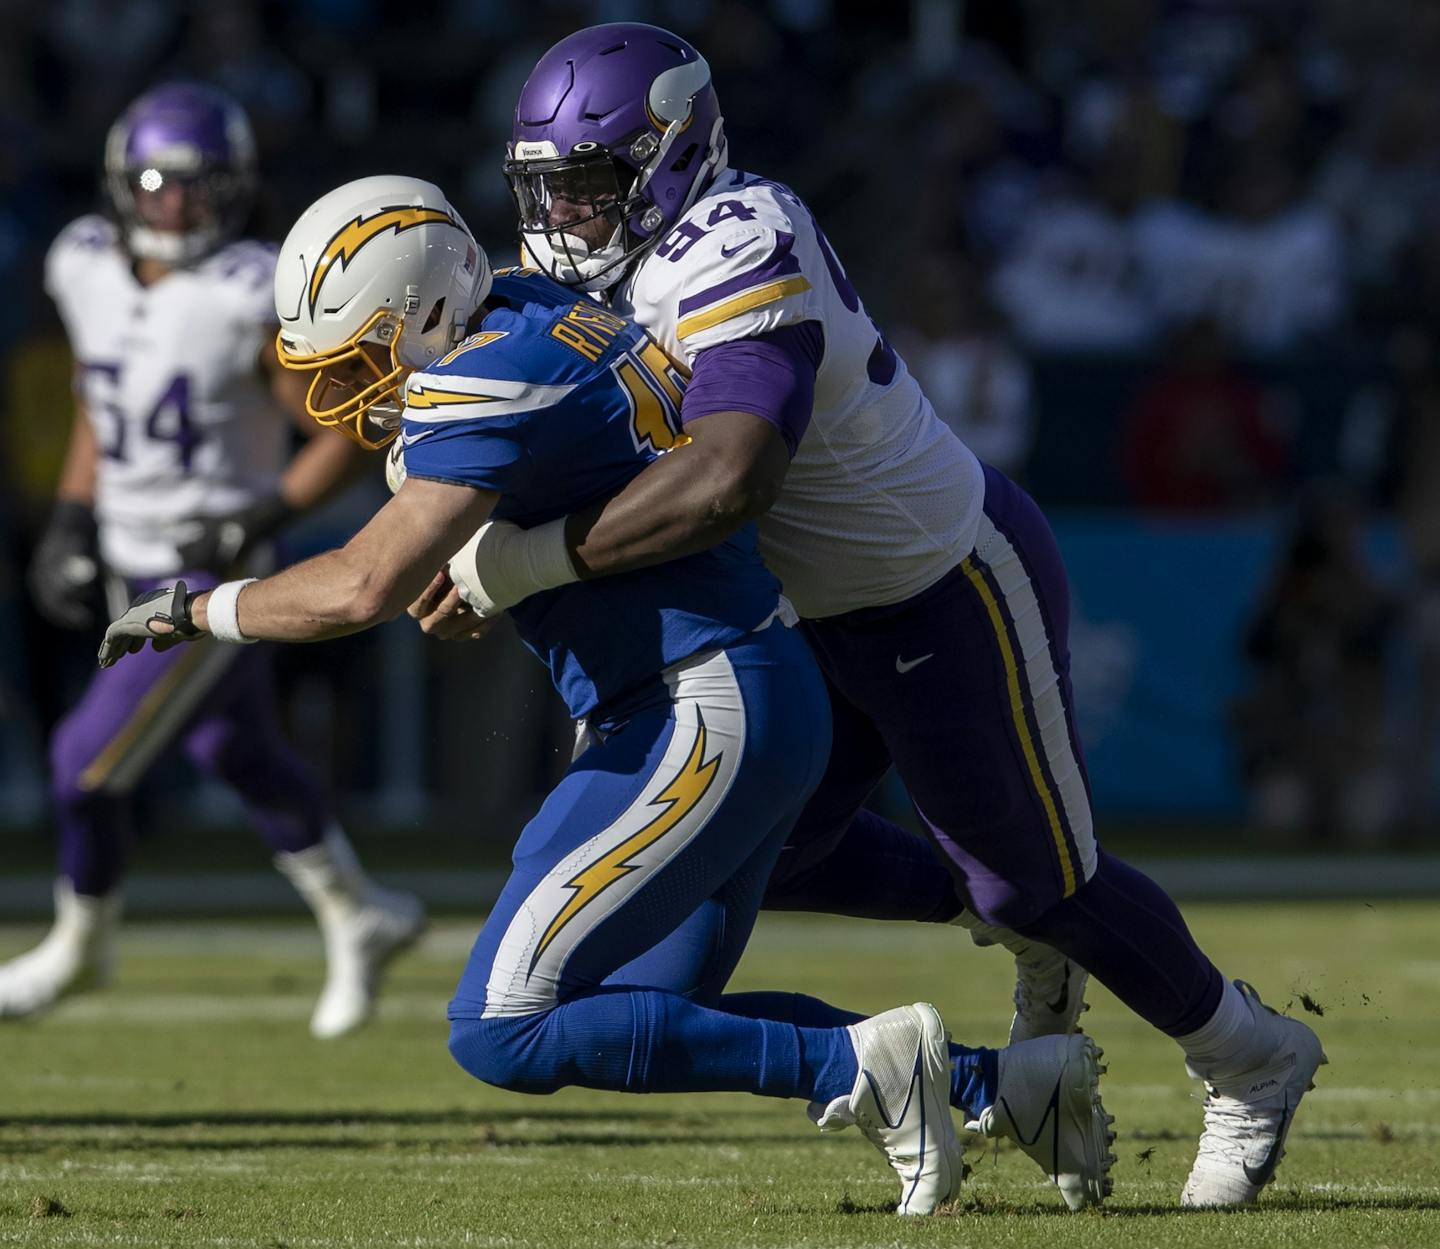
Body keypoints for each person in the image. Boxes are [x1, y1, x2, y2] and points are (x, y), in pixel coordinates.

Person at [98, 174, 1114, 1215]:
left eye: (362, 356)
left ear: (425, 315)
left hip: (696, 705)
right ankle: (1012, 1085)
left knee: (501, 1026)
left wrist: (197, 608)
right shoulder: (537, 308)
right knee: (641, 1006)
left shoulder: (483, 376)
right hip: (739, 691)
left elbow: (363, 583)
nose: (343, 394)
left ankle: (876, 1062)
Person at [439, 22, 1325, 1208]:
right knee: (766, 842)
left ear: (674, 158)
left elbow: (728, 476)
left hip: (940, 585)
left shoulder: (737, 238)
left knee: (1040, 885)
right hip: (802, 621)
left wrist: (527, 562)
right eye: (546, 189)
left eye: (593, 187)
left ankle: (1250, 1053)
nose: (567, 219)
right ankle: (987, 943)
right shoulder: (594, 276)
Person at [0, 83, 424, 1038]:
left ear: (233, 190)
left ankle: (80, 943)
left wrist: (259, 513)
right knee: (237, 749)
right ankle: (360, 912)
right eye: (156, 183)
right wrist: (74, 513)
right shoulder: (83, 265)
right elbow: (101, 406)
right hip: (125, 554)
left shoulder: (247, 289)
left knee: (83, 766)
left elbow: (346, 429)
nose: (177, 205)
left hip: (210, 578)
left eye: (199, 186)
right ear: (122, 184)